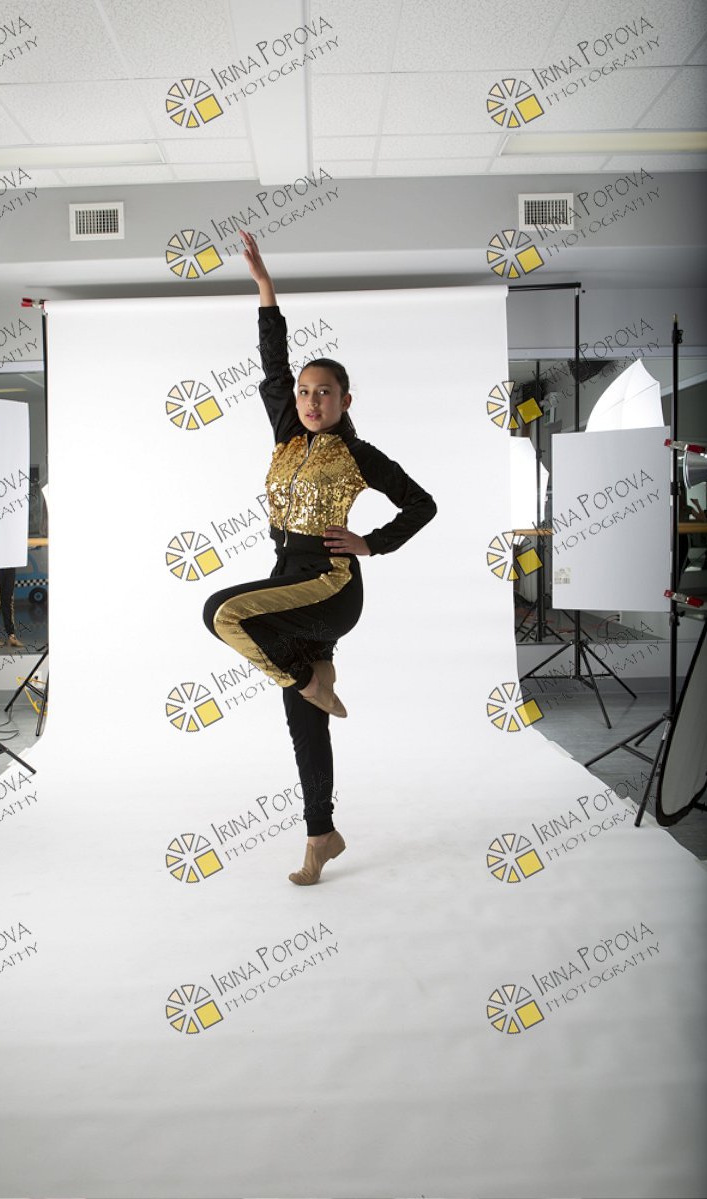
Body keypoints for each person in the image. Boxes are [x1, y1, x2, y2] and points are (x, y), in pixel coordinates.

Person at [203, 231, 437, 885]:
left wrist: (372, 542)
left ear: (345, 401)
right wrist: (265, 289)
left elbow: (422, 504)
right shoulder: (286, 433)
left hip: (330, 584)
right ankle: (320, 836)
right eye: (305, 392)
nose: (310, 400)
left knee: (221, 612)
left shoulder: (358, 454)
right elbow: (273, 366)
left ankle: (312, 676)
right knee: (305, 727)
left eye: (324, 392)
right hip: (288, 582)